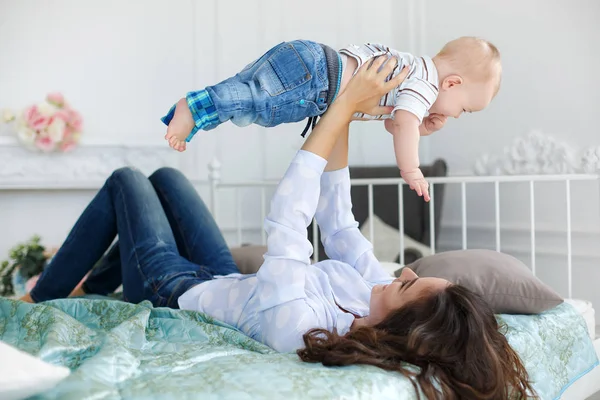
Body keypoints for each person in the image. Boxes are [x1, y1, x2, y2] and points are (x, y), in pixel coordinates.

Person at [21, 57, 532, 399]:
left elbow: (290, 221)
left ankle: (43, 293)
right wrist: (348, 113)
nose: (400, 272)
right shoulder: (372, 286)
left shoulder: (300, 329)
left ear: (399, 327)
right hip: (228, 282)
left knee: (128, 180)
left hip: (174, 288)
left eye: (408, 285)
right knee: (167, 177)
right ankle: (99, 279)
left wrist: (338, 110)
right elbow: (338, 219)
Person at [162, 37, 502, 202]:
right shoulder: (426, 85)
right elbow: (403, 124)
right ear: (452, 84)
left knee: (250, 95)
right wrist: (411, 169)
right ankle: (193, 107)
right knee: (258, 103)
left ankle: (197, 109)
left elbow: (394, 122)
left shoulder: (413, 72)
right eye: (465, 109)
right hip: (319, 80)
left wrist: (421, 126)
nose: (456, 115)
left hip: (312, 58)